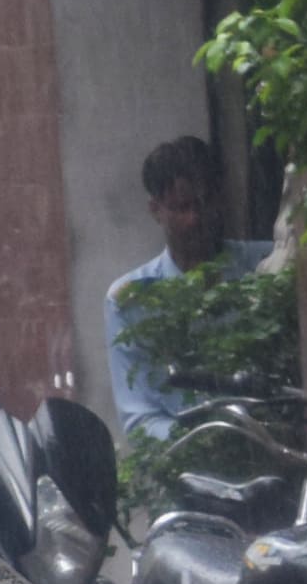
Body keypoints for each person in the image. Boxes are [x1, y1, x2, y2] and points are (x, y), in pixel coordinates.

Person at [105, 133, 269, 439]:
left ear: (219, 200)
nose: (194, 218)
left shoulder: (264, 268)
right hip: (185, 469)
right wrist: (205, 440)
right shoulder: (129, 300)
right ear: (155, 210)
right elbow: (139, 419)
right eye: (181, 207)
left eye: (202, 204)